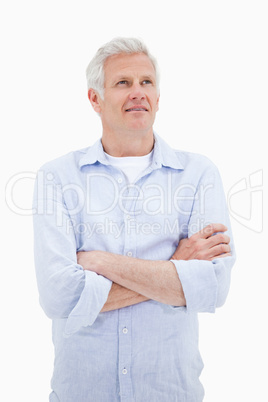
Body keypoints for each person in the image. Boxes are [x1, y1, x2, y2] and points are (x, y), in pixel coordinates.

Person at [33, 37, 235, 402]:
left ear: (158, 97)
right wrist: (176, 270)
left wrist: (100, 263)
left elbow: (213, 287)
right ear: (95, 99)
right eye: (123, 83)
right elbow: (58, 298)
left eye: (147, 82)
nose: (138, 92)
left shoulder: (199, 174)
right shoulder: (58, 178)